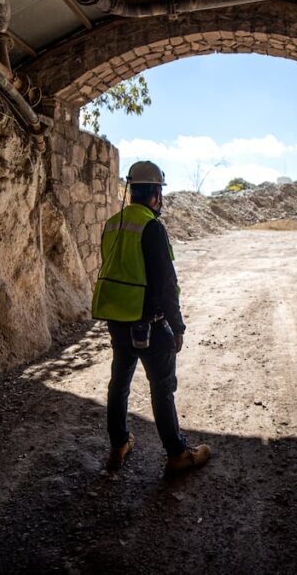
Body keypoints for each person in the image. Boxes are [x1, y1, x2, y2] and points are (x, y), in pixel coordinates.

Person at [91, 160, 212, 475]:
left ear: (131, 191)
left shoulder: (112, 224)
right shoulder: (152, 227)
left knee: (119, 383)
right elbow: (166, 284)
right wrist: (177, 326)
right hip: (149, 324)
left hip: (117, 320)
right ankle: (177, 453)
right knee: (161, 388)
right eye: (160, 193)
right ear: (156, 194)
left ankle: (119, 444)